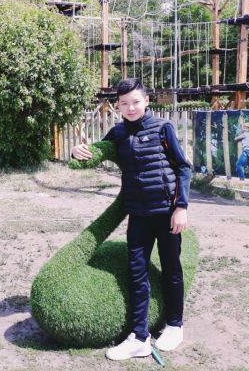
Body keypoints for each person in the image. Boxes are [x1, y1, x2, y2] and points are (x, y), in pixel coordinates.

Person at [71, 78, 191, 361]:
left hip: (166, 213)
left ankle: (175, 325)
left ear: (146, 101)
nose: (131, 108)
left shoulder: (162, 128)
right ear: (118, 105)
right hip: (137, 216)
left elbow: (183, 168)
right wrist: (77, 151)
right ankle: (139, 337)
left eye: (136, 102)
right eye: (124, 103)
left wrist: (181, 207)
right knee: (136, 274)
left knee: (172, 269)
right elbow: (96, 152)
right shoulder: (118, 132)